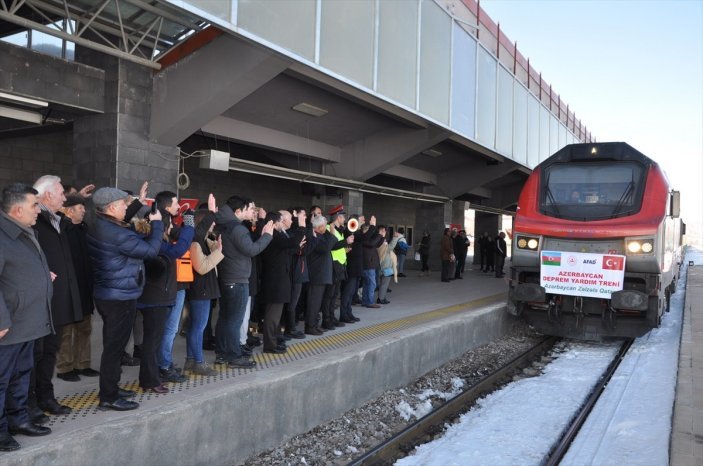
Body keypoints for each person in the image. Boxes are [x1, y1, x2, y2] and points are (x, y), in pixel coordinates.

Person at [87, 186, 163, 411]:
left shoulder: (101, 224)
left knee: (115, 346)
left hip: (111, 293)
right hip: (119, 297)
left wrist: (138, 202)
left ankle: (112, 388)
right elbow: (150, 251)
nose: (126, 208)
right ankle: (109, 397)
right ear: (111, 207)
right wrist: (157, 224)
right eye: (124, 204)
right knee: (114, 348)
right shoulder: (117, 234)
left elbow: (122, 222)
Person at [0, 184, 53, 452]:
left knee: (21, 374)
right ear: (18, 209)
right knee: (1, 379)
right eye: (35, 205)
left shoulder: (23, 231)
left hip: (27, 321)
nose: (39, 210)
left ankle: (18, 420)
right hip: (8, 325)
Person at [31, 175, 82, 417]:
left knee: (50, 351)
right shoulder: (32, 220)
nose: (64, 198)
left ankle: (45, 398)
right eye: (62, 193)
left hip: (58, 300)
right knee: (35, 355)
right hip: (38, 300)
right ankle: (29, 405)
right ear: (47, 194)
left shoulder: (56, 220)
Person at [213, 196, 273, 368]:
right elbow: (252, 250)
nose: (251, 212)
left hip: (227, 277)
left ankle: (222, 353)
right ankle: (233, 356)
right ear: (238, 211)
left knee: (225, 318)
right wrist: (267, 236)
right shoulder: (237, 229)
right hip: (237, 279)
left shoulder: (223, 225)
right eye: (249, 209)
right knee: (234, 320)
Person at [55, 195, 99, 382]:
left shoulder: (83, 229)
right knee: (66, 331)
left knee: (84, 328)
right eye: (80, 207)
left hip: (84, 286)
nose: (84, 210)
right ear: (69, 210)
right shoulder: (61, 229)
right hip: (67, 288)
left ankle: (83, 364)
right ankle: (65, 368)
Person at [260, 210, 306, 353]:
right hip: (275, 281)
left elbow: (285, 251)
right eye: (280, 221)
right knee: (272, 316)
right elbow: (291, 242)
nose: (282, 224)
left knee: (275, 315)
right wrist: (302, 226)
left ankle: (273, 340)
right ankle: (269, 345)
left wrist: (297, 246)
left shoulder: (276, 236)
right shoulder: (273, 235)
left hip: (277, 280)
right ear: (275, 223)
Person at [185, 206, 223, 376]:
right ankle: (198, 362)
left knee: (196, 326)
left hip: (203, 289)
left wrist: (216, 248)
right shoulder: (195, 242)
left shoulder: (203, 240)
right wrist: (218, 253)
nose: (213, 224)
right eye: (210, 220)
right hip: (200, 290)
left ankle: (191, 360)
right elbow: (201, 267)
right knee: (198, 327)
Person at [305, 214, 346, 334]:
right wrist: (332, 233)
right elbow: (326, 248)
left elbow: (329, 244)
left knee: (317, 302)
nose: (326, 228)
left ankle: (314, 324)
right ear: (319, 227)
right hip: (317, 275)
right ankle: (310, 326)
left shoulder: (321, 235)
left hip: (321, 275)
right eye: (323, 226)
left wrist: (329, 233)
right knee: (313, 302)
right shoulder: (314, 236)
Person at [321, 205, 350, 329]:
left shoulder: (340, 231)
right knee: (329, 294)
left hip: (339, 265)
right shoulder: (328, 228)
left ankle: (332, 318)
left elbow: (338, 246)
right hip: (332, 265)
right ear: (338, 217)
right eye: (343, 216)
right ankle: (326, 320)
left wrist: (345, 248)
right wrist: (345, 242)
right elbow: (332, 246)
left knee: (334, 294)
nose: (344, 219)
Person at [376, 226, 399, 304]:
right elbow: (390, 248)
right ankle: (381, 298)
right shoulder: (380, 241)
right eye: (382, 231)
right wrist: (395, 238)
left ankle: (382, 297)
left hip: (382, 264)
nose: (384, 232)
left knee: (382, 283)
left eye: (384, 231)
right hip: (385, 265)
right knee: (384, 284)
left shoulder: (378, 240)